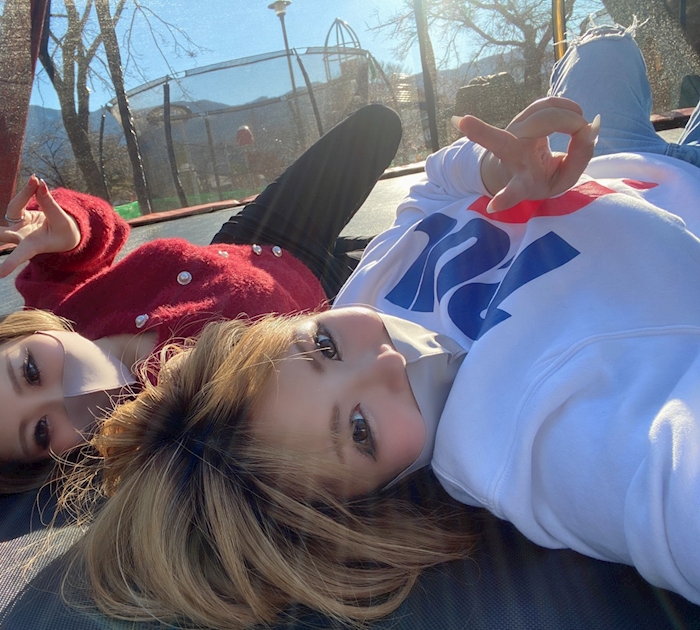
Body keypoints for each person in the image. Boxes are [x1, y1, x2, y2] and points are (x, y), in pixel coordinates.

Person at [61, 24, 700, 629]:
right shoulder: (517, 448)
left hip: (602, 156)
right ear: (366, 504)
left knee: (605, 47)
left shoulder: (364, 292)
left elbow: (431, 191)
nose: (387, 361)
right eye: (360, 428)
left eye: (325, 345)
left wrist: (496, 168)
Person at [0, 104, 403, 512]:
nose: (71, 396)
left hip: (258, 238)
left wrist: (64, 229)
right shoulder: (165, 424)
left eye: (31, 371)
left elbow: (94, 234)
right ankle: (358, 251)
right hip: (330, 296)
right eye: (42, 431)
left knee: (376, 127)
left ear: (17, 333)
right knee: (419, 249)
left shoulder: (65, 304)